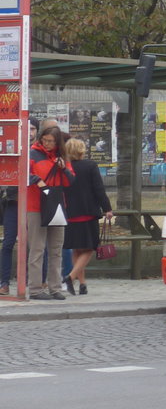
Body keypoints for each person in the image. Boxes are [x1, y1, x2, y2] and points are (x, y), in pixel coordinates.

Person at [26, 126, 73, 300]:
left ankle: (55, 288)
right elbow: (25, 173)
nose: (47, 144)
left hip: (56, 206)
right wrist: (36, 180)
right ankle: (36, 289)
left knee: (55, 249)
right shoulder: (33, 153)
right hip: (36, 206)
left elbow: (70, 181)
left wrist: (63, 169)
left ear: (57, 142)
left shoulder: (61, 156)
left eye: (51, 141)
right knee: (37, 249)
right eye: (44, 140)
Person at [62, 137, 113, 295]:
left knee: (77, 249)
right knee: (90, 248)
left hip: (69, 214)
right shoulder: (90, 165)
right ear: (82, 150)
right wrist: (107, 208)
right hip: (87, 212)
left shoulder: (65, 167)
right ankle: (70, 277)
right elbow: (99, 189)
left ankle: (82, 284)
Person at [0, 181, 16, 295]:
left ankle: (40, 281)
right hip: (11, 203)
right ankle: (4, 283)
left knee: (37, 246)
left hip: (31, 203)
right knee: (7, 245)